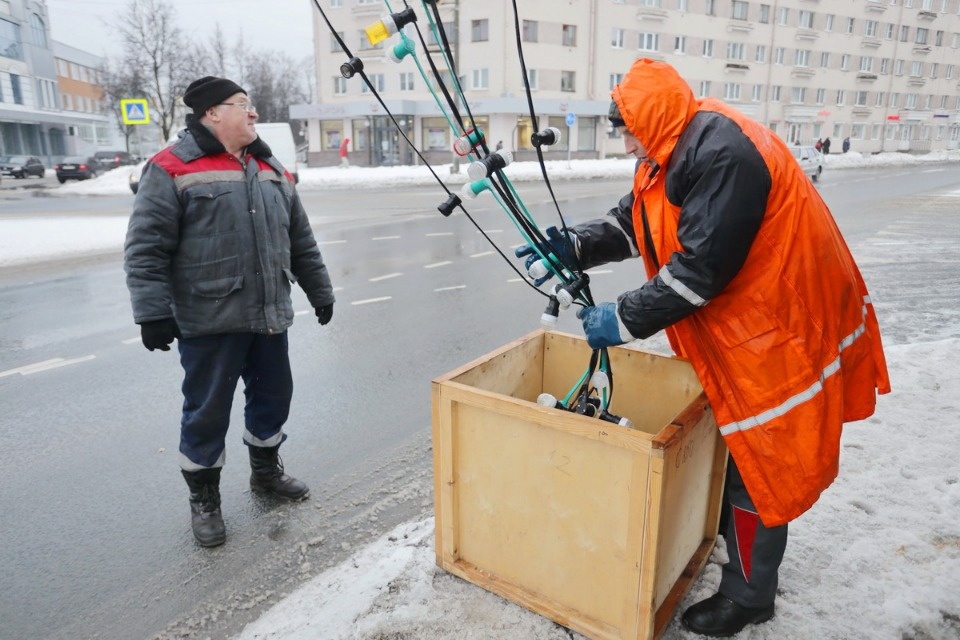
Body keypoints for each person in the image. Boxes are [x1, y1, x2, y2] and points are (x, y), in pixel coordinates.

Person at [516, 59, 890, 637]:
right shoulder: (673, 146)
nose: (627, 146)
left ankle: (749, 597)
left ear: (651, 121)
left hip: (780, 324)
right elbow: (637, 221)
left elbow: (698, 271)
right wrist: (576, 245)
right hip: (748, 321)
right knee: (729, 442)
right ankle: (723, 535)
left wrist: (622, 319)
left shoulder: (722, 155)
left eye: (629, 133)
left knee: (759, 458)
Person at [124, 76, 336, 548]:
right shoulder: (171, 167)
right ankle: (205, 500)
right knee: (207, 413)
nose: (253, 112)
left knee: (273, 399)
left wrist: (320, 291)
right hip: (208, 320)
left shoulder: (269, 166)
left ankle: (265, 473)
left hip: (269, 315)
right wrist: (152, 312)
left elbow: (300, 238)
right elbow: (146, 248)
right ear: (212, 113)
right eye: (243, 104)